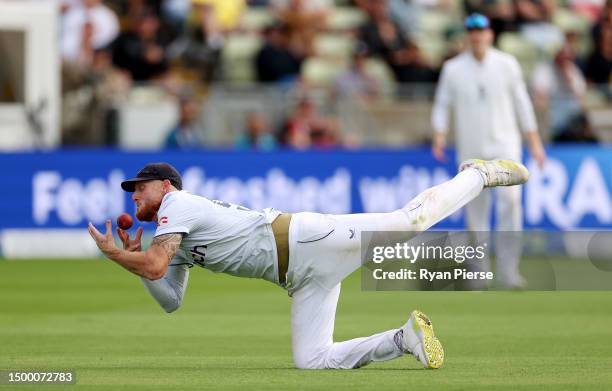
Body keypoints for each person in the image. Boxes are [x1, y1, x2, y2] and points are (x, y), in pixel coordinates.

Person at [88, 159, 530, 369]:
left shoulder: (177, 205)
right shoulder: (174, 235)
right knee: (312, 360)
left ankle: (479, 174)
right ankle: (404, 338)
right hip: (298, 276)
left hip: (305, 240)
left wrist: (119, 255)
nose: (134, 197)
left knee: (407, 221)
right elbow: (170, 300)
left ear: (165, 186)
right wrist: (127, 259)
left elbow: (153, 266)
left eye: (139, 188)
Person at [431, 13, 546, 289]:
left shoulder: (507, 64)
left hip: (506, 146)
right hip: (471, 150)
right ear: (467, 35)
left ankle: (509, 271)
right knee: (475, 212)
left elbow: (522, 104)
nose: (477, 36)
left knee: (511, 205)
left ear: (490, 35)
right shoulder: (453, 69)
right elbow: (442, 104)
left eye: (481, 31)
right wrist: (439, 135)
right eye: (472, 31)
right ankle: (478, 273)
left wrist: (534, 141)